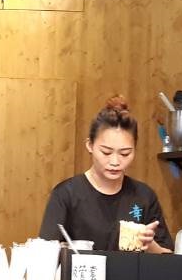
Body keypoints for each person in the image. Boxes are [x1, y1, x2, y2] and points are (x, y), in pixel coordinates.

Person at [39, 96, 173, 253]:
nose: (115, 162)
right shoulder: (66, 194)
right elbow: (45, 253)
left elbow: (168, 258)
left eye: (125, 153)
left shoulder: (144, 196)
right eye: (106, 152)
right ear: (90, 145)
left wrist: (150, 245)